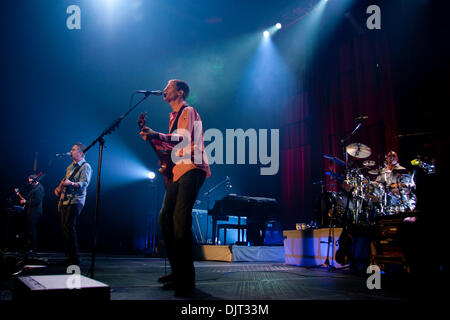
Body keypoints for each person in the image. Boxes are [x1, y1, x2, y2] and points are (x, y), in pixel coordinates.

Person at [139, 79, 211, 297]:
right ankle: (177, 272)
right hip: (178, 171)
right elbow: (171, 147)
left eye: (169, 86)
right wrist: (153, 139)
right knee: (165, 218)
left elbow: (182, 138)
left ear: (179, 92)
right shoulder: (172, 117)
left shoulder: (188, 110)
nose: (165, 88)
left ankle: (186, 279)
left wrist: (156, 135)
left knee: (180, 220)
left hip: (192, 167)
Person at [54, 143, 92, 266]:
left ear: (80, 153)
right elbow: (66, 181)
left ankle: (75, 258)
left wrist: (71, 184)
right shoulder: (69, 167)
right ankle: (68, 256)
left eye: (73, 149)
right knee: (64, 228)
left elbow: (84, 184)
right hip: (65, 200)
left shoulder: (86, 166)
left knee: (70, 227)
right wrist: (60, 187)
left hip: (76, 200)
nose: (71, 151)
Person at [20, 174, 45, 255]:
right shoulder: (34, 188)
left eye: (31, 182)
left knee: (32, 229)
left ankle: (33, 248)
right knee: (29, 229)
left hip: (35, 211)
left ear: (35, 180)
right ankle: (28, 247)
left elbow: (37, 201)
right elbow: (31, 199)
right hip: (31, 210)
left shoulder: (39, 188)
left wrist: (26, 202)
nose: (30, 183)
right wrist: (25, 201)